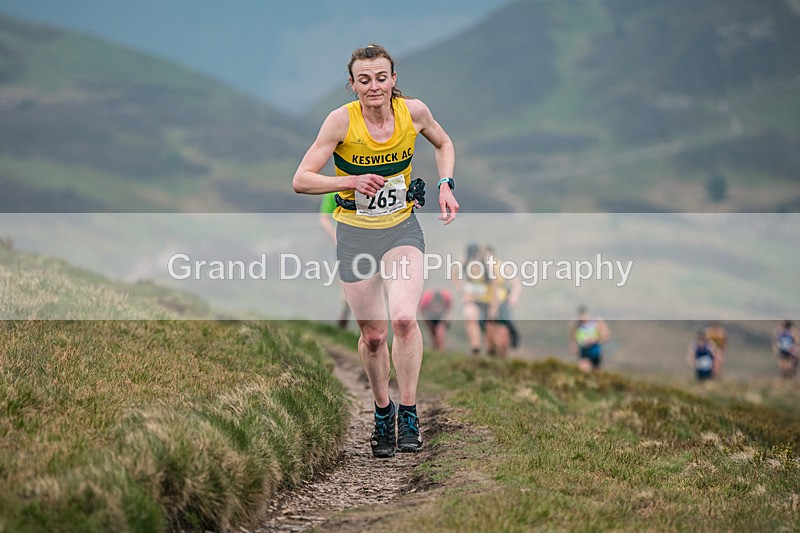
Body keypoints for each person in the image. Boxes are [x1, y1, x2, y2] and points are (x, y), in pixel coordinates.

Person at [293, 44, 459, 458]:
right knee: (373, 336)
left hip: (402, 228)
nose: (374, 86)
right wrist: (348, 182)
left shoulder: (414, 112)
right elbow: (301, 179)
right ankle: (382, 411)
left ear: (393, 79)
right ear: (352, 85)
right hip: (355, 234)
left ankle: (408, 411)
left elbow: (443, 144)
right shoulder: (340, 122)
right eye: (364, 80)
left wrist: (445, 185)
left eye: (381, 78)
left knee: (404, 318)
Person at [319, 192, 351, 329]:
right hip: (343, 246)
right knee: (347, 284)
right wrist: (335, 237)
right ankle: (344, 313)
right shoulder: (334, 192)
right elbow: (324, 218)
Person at [569, 305, 611, 372]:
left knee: (596, 370)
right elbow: (573, 337)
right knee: (582, 369)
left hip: (595, 350)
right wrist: (574, 346)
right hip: (583, 350)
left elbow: (606, 335)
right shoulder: (576, 324)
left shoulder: (596, 322)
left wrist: (595, 340)